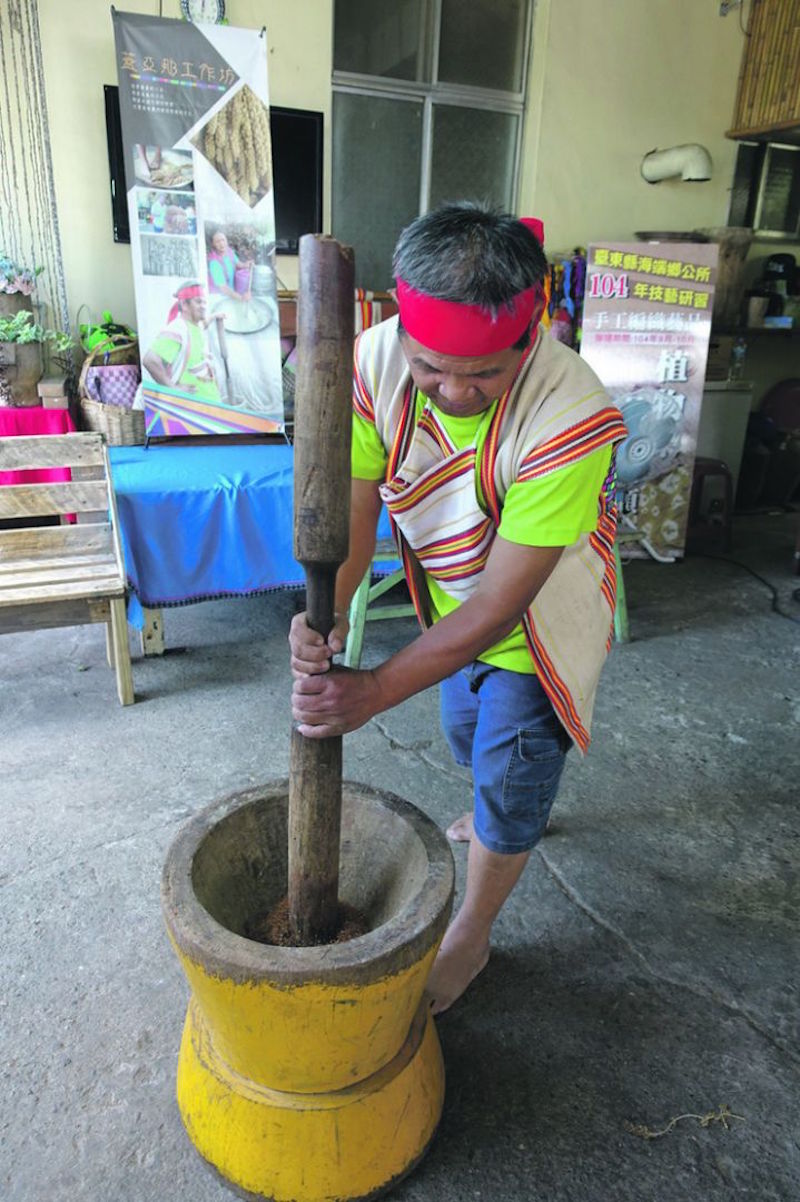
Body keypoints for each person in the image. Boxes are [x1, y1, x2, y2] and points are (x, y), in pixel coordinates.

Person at [289, 202, 627, 1015]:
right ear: (402, 328)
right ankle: (499, 812)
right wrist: (322, 620)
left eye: (484, 374)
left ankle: (473, 933)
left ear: (530, 336)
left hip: (538, 616)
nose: (453, 389)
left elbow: (504, 608)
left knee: (511, 764)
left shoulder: (567, 412)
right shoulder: (370, 363)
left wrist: (371, 692)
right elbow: (357, 510)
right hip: (450, 595)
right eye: (434, 366)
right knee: (466, 733)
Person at [142, 280, 223, 403]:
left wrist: (214, 316)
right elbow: (150, 360)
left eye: (204, 302)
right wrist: (172, 389)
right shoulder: (178, 329)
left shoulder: (195, 326)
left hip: (210, 407)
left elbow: (204, 325)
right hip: (191, 410)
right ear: (184, 305)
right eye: (198, 302)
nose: (203, 306)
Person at [207, 230, 253, 302]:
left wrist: (246, 265)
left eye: (223, 240)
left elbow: (238, 263)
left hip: (231, 294)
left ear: (226, 241)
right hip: (219, 298)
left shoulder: (229, 251)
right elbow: (223, 288)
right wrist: (241, 298)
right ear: (213, 244)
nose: (221, 243)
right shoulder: (214, 263)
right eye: (217, 241)